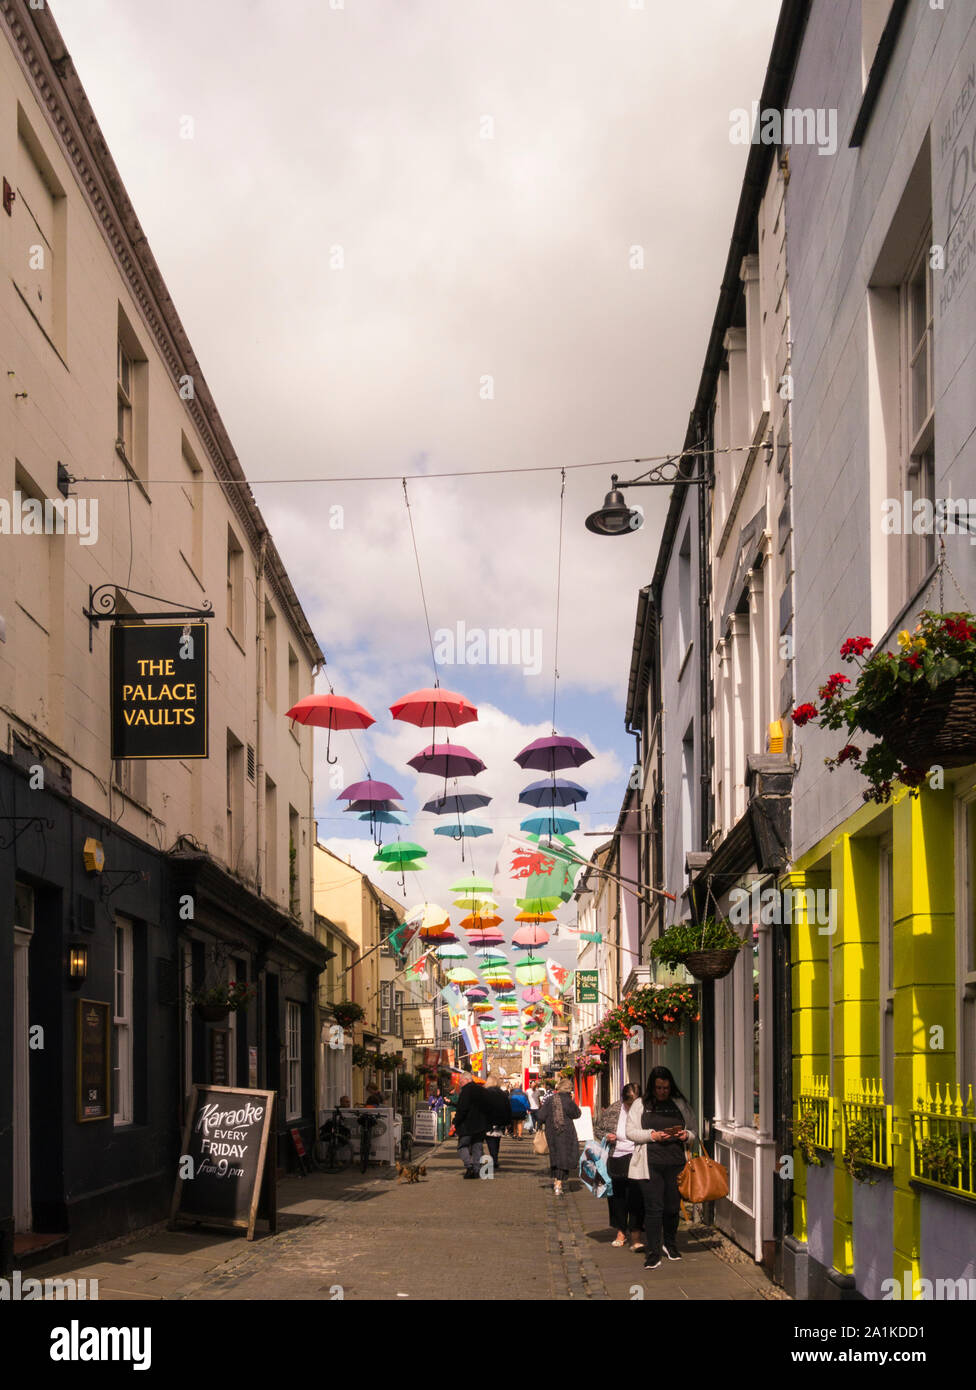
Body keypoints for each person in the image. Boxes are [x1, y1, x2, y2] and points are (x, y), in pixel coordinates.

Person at [626, 1066, 696, 1270]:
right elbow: (630, 1132)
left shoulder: (680, 1103)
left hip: (676, 1163)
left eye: (666, 1087)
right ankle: (653, 1252)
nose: (662, 1091)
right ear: (652, 1087)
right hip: (650, 1164)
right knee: (654, 1208)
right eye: (659, 1088)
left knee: (672, 1207)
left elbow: (693, 1129)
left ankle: (670, 1245)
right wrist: (652, 1135)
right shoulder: (641, 1104)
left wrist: (686, 1136)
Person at [594, 1083, 645, 1250]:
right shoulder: (614, 1109)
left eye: (636, 1103)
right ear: (623, 1100)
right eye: (630, 1103)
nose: (632, 1107)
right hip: (616, 1156)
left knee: (637, 1196)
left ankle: (636, 1235)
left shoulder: (646, 1109)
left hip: (637, 1156)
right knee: (617, 1197)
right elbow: (598, 1129)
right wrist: (607, 1136)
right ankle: (621, 1231)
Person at [536, 1077, 581, 1196]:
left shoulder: (550, 1099)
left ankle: (557, 1181)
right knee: (564, 1157)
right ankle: (558, 1184)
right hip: (566, 1132)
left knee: (556, 1156)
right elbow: (577, 1114)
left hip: (551, 1132)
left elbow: (540, 1115)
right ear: (569, 1090)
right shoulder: (568, 1100)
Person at [451, 1075, 494, 1179]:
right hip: (480, 1126)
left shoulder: (465, 1091)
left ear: (467, 1080)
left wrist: (455, 1122)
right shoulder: (483, 1091)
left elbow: (462, 1109)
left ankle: (469, 1166)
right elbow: (489, 1108)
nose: (460, 1084)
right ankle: (476, 1170)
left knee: (462, 1146)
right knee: (477, 1147)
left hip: (467, 1126)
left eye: (461, 1081)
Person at [484, 1078, 506, 1172]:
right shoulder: (502, 1094)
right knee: (496, 1141)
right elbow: (507, 1107)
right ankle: (495, 1158)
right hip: (500, 1121)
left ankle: (494, 1159)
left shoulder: (485, 1093)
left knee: (490, 1142)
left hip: (489, 1121)